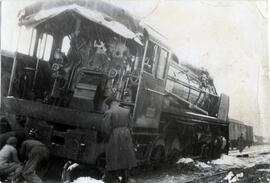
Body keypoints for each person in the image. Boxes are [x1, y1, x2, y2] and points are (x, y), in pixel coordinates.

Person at [102, 95, 137, 183]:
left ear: (110, 104)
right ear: (116, 102)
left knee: (114, 155)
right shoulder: (126, 111)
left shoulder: (108, 112)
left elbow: (106, 128)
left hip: (115, 135)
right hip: (126, 134)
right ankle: (126, 177)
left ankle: (114, 178)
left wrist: (106, 138)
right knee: (125, 155)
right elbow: (131, 125)